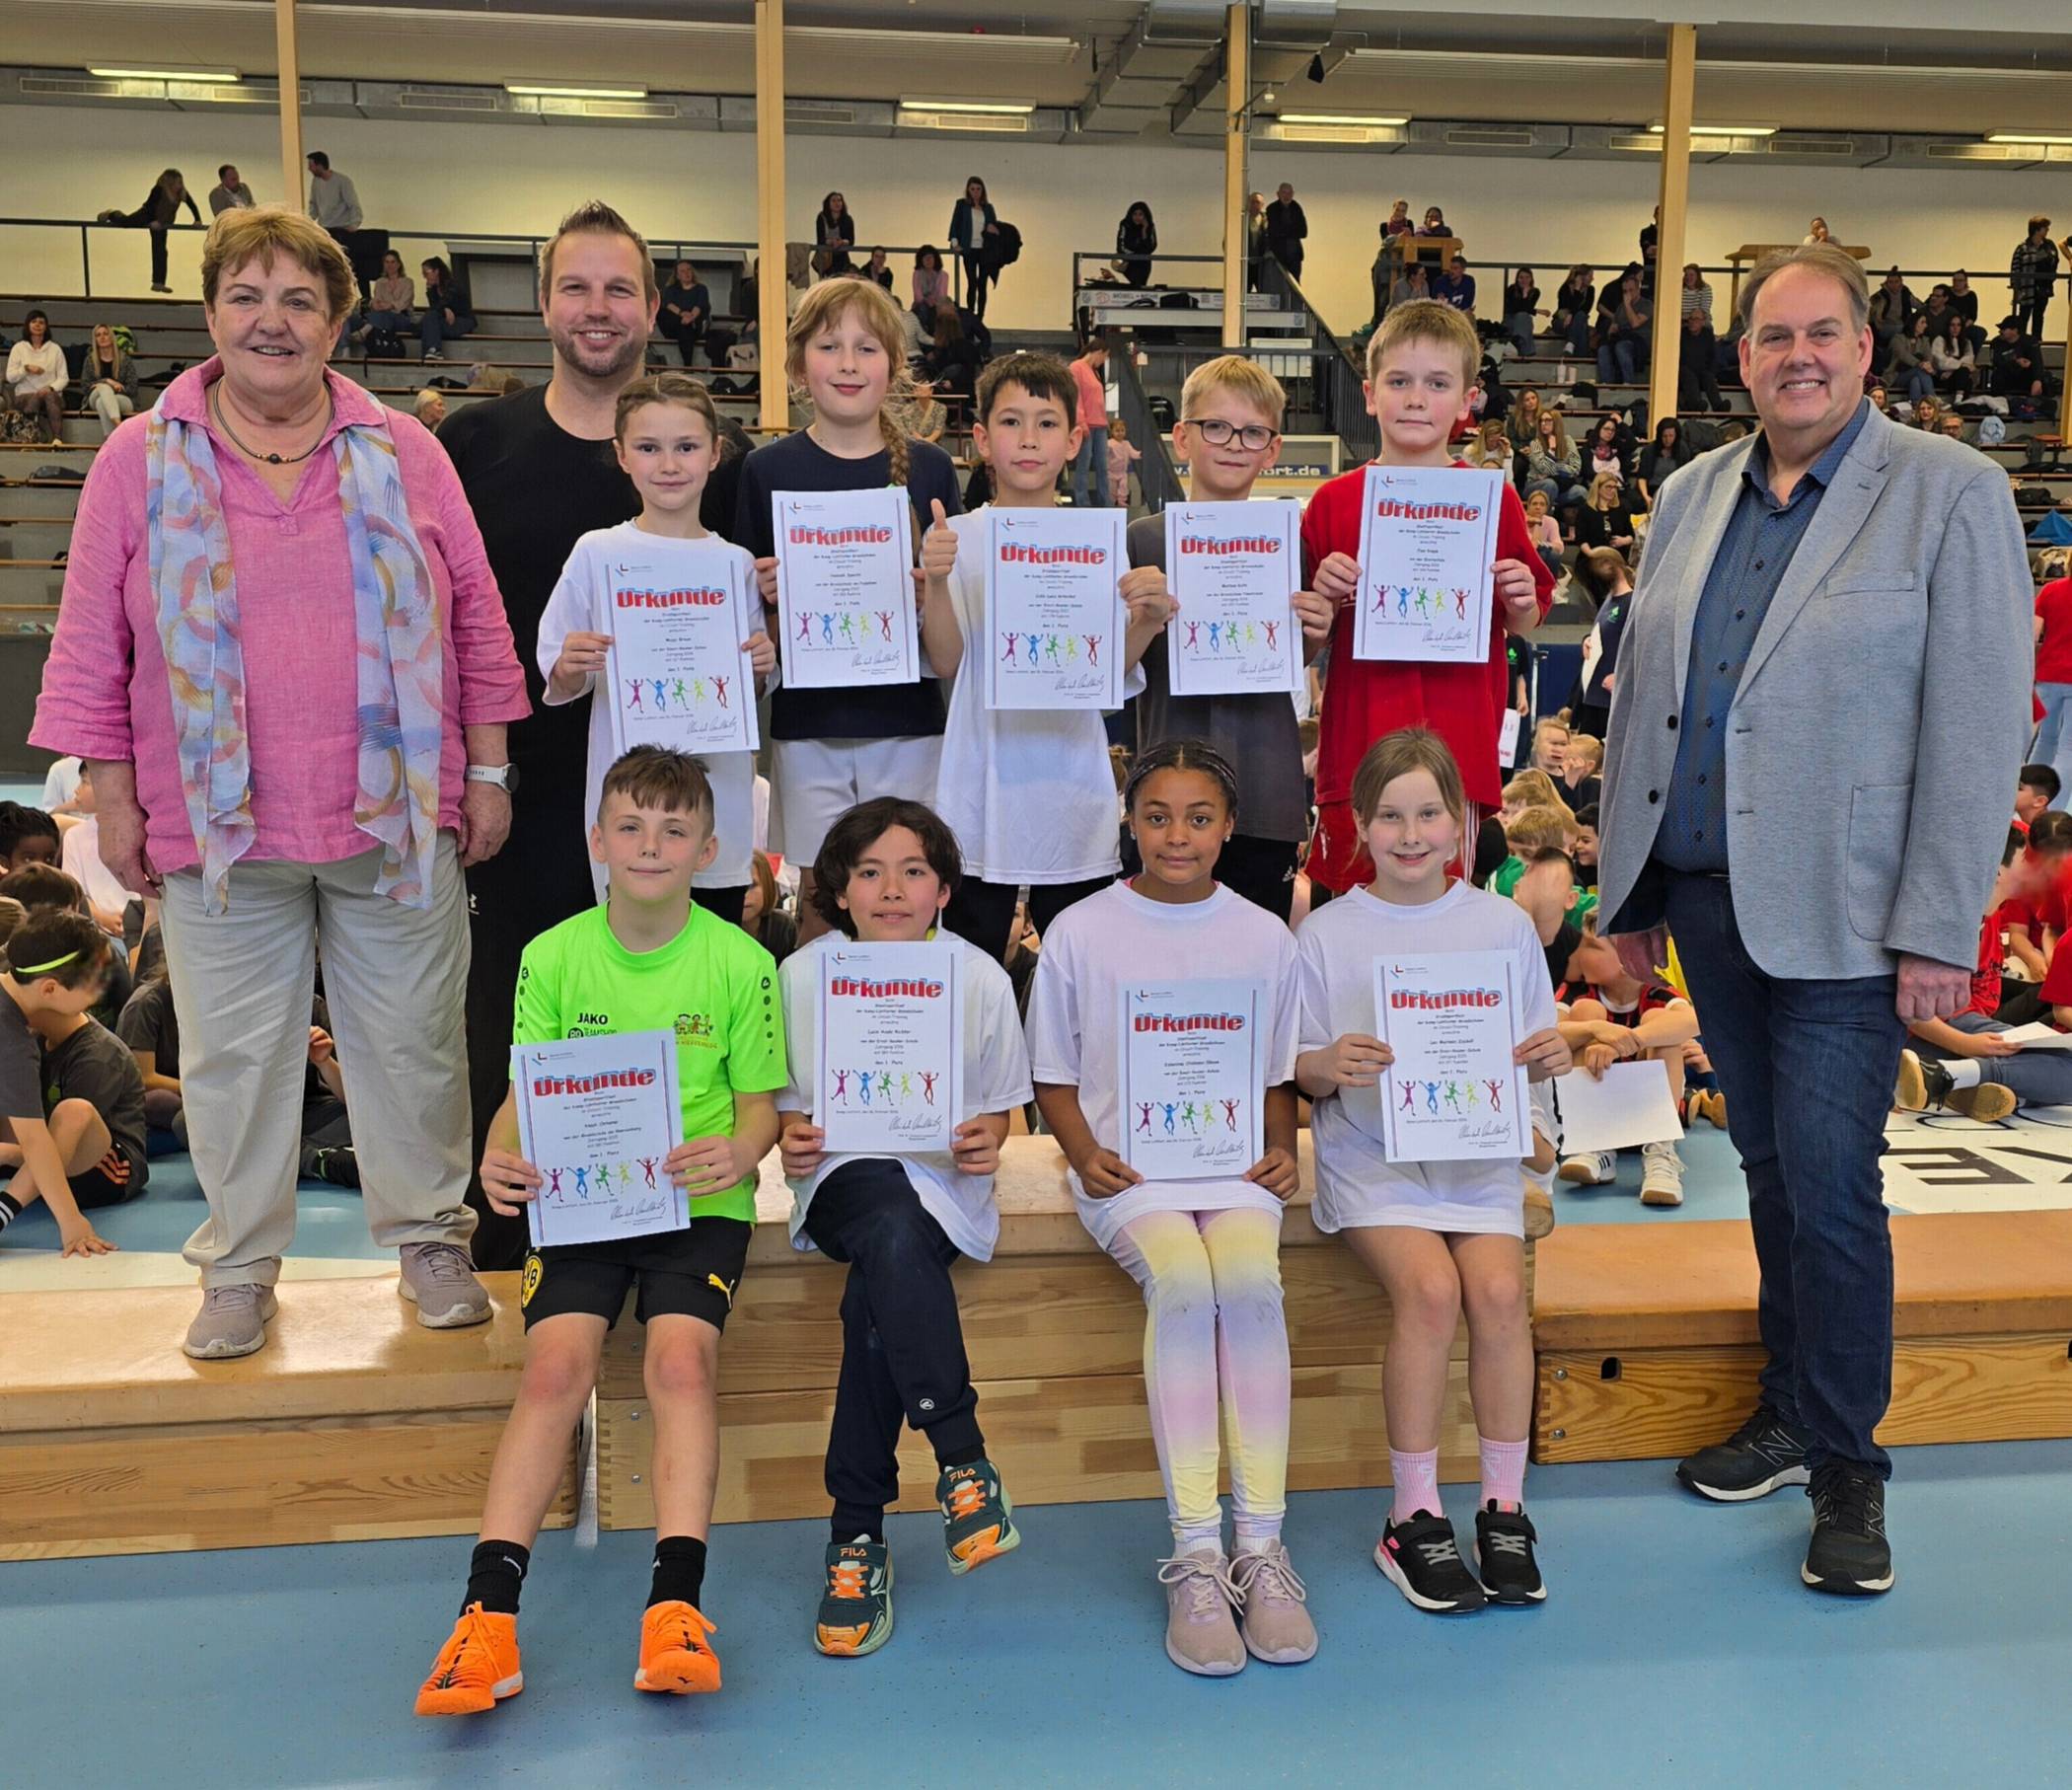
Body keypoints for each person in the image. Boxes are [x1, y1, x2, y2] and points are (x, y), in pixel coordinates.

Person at [1596, 242, 2033, 1597]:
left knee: (1836, 1190)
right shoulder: (1686, 495)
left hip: (1854, 917)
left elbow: (1972, 723)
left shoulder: (1951, 494)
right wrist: (1628, 895)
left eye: (1824, 332)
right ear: (1741, 361)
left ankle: (1851, 1467)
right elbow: (1640, 705)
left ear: (1866, 350)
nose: (1799, 354)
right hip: (1713, 902)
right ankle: (1791, 1409)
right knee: (1775, 1175)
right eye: (1773, 336)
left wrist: (1939, 921)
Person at [32, 205, 531, 1358]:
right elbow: (92, 640)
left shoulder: (408, 449)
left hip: (396, 814)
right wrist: (113, 793)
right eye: (248, 298)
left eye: (300, 300)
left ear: (337, 323)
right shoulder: (137, 457)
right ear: (211, 315)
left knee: (411, 1043)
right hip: (214, 827)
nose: (273, 321)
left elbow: (477, 620)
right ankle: (243, 1263)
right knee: (234, 1056)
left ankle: (429, 1239)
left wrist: (492, 768)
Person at [413, 746, 784, 1719]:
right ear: (598, 839)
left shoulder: (742, 961)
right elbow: (520, 1100)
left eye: (673, 830)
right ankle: (484, 1621)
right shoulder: (554, 954)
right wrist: (499, 1156)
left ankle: (676, 1607)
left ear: (709, 847)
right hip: (581, 1203)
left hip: (696, 1204)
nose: (651, 845)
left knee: (679, 1366)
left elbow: (757, 1110)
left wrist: (741, 1155)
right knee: (552, 1369)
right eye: (632, 825)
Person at [1030, 741, 1313, 1675]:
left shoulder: (1265, 935)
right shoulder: (1079, 929)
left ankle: (1260, 1547)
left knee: (1250, 1284)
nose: (1178, 835)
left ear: (1230, 828)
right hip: (1131, 1177)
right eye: (1157, 815)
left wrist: (1280, 1148)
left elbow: (1278, 1068)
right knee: (1187, 1286)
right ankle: (1196, 1552)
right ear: (1129, 820)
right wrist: (1084, 1156)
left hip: (1231, 1173)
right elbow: (1054, 1074)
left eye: (1199, 818)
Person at [1295, 729, 1570, 1612]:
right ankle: (1411, 1515)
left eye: (1428, 815)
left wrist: (1550, 1063)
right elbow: (1295, 1067)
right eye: (1389, 816)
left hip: (1475, 1157)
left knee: (1495, 1294)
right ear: (1359, 826)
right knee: (1430, 1291)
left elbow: (1529, 1049)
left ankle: (1502, 1504)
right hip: (1373, 1157)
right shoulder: (1328, 932)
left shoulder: (1501, 926)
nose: (1409, 834)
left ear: (1461, 825)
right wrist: (1328, 1063)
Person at [443, 200, 660, 1272]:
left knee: (646, 1012)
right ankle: (502, 1235)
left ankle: (631, 1237)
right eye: (577, 286)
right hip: (516, 791)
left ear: (653, 309)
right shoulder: (476, 442)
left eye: (619, 288)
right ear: (542, 306)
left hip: (661, 805)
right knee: (514, 1015)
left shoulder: (693, 451)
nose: (597, 308)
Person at [777, 797, 1031, 1656]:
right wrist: (792, 1133)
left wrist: (983, 1140)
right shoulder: (803, 975)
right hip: (842, 1178)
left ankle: (857, 1536)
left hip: (942, 1191)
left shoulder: (982, 978)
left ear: (945, 891)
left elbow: (999, 1115)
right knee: (880, 1219)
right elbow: (779, 1109)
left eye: (914, 871)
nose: (892, 890)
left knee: (875, 1297)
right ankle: (960, 1457)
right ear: (838, 891)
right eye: (870, 872)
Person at [1294, 301, 1555, 900]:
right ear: (1370, 393)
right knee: (1354, 914)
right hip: (1360, 742)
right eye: (1400, 382)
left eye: (1437, 384)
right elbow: (1308, 639)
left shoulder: (1494, 500)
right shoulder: (1332, 503)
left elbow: (1528, 615)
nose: (1416, 399)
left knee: (1442, 917)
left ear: (1467, 401)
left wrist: (1517, 601)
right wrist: (1323, 603)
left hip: (1456, 743)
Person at [735, 277, 963, 948]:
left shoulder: (928, 468)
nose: (847, 363)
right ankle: (812, 1052)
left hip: (910, 723)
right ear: (799, 361)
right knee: (820, 902)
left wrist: (931, 592)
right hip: (810, 726)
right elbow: (752, 631)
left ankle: (907, 1042)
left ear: (892, 361)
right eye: (829, 345)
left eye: (865, 348)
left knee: (911, 901)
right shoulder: (764, 470)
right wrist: (768, 597)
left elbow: (949, 632)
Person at [921, 351, 1170, 960]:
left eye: (1047, 423)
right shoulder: (955, 536)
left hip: (1070, 784)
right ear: (981, 438)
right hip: (980, 781)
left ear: (1074, 438)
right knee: (972, 966)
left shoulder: (1097, 539)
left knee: (1077, 968)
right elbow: (949, 664)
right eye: (1010, 422)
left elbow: (1109, 674)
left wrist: (1146, 622)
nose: (1028, 440)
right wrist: (934, 580)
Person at [538, 374, 776, 925]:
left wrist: (761, 666)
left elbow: (750, 687)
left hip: (717, 804)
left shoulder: (736, 564)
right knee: (630, 959)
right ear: (621, 455)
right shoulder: (597, 553)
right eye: (649, 448)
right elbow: (557, 672)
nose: (669, 465)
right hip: (631, 805)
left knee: (709, 960)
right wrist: (572, 664)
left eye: (686, 447)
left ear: (716, 453)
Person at [1124, 355, 1321, 920]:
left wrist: (1316, 630)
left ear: (1272, 448)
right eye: (1217, 427)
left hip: (1266, 787)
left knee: (1258, 954)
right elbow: (1114, 673)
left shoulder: (1289, 540)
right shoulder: (1143, 542)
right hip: (1169, 789)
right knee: (1167, 953)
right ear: (1183, 437)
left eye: (1253, 432)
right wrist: (1143, 619)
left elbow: (1296, 658)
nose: (1234, 444)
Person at [0, 910, 132, 1254]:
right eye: (91, 988)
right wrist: (72, 1222)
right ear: (50, 989)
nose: (97, 996)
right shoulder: (12, 1039)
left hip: (89, 1159)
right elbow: (33, 1139)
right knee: (66, 1116)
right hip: (95, 1169)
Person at [1571, 547, 1635, 741]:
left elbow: (1642, 645)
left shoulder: (1632, 601)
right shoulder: (1609, 600)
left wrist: (1623, 676)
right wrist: (1587, 640)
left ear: (1609, 565)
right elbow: (1604, 634)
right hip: (1593, 694)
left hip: (1612, 697)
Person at [115, 168, 201, 293]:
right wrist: (153, 221)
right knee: (125, 222)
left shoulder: (182, 193)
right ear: (170, 183)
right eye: (178, 183)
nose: (180, 185)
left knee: (160, 249)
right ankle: (112, 214)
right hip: (147, 215)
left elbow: (192, 205)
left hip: (163, 222)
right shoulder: (158, 190)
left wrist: (197, 219)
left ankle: (158, 283)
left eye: (181, 182)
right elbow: (151, 206)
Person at [304, 151, 368, 294]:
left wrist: (354, 224)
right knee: (326, 266)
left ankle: (356, 296)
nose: (309, 169)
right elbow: (313, 204)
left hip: (342, 230)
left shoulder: (342, 181)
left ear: (320, 165)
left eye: (311, 165)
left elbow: (353, 205)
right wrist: (309, 222)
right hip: (324, 229)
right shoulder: (316, 182)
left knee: (350, 266)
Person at [2034, 570, 2072, 798]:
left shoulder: (2050, 590)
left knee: (2045, 739)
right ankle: (2053, 810)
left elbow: (2032, 634)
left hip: (2048, 676)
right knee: (2068, 749)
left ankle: (2026, 801)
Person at [6, 310, 67, 444]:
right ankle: (33, 436)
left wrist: (50, 388)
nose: (38, 325)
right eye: (34, 321)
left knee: (48, 395)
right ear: (27, 325)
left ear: (46, 327)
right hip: (24, 396)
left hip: (52, 397)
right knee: (39, 396)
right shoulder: (18, 348)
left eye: (41, 322)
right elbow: (10, 377)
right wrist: (25, 369)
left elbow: (63, 378)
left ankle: (57, 439)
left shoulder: (55, 349)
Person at [947, 177, 999, 321]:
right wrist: (954, 242)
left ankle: (980, 317)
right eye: (973, 189)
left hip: (984, 249)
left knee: (982, 284)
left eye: (978, 189)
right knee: (972, 282)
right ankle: (971, 315)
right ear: (968, 191)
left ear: (982, 191)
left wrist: (992, 229)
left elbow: (994, 227)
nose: (975, 192)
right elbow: (955, 224)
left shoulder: (988, 208)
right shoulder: (962, 205)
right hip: (969, 248)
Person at [1069, 337, 1110, 509]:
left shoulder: (1093, 371)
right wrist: (1081, 421)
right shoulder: (1076, 367)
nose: (1104, 361)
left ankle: (1105, 502)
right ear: (1099, 353)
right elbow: (1075, 397)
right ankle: (1082, 501)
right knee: (1084, 465)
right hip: (1086, 424)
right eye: (1105, 357)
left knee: (1103, 466)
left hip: (1099, 424)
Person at [81, 323, 139, 439]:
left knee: (101, 403)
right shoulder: (90, 360)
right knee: (104, 387)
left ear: (111, 337)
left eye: (105, 334)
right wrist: (107, 381)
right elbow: (85, 387)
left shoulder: (124, 359)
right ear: (95, 340)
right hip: (94, 397)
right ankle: (119, 427)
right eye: (98, 335)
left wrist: (117, 389)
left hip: (123, 398)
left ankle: (110, 439)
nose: (102, 337)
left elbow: (133, 388)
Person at [2010, 215, 2059, 341]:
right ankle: (2020, 342)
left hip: (2043, 288)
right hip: (2027, 289)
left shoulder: (2049, 245)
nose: (2047, 230)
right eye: (2045, 228)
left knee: (2039, 317)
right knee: (2023, 316)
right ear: (2037, 229)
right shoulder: (2023, 247)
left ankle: (2035, 343)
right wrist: (2016, 289)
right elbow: (2015, 268)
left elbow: (2055, 262)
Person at [1520, 410, 1584, 509]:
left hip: (1561, 487)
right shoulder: (1536, 443)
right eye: (1541, 421)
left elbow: (1576, 468)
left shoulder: (1568, 440)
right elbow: (1542, 467)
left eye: (1548, 420)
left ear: (1556, 422)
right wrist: (1564, 469)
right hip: (1536, 485)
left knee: (1581, 491)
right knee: (1550, 484)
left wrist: (1554, 469)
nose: (1543, 424)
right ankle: (1546, 516)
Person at [416, 257, 475, 363]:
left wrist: (443, 309)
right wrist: (430, 292)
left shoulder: (453, 285)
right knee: (428, 320)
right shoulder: (434, 289)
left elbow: (445, 302)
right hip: (444, 320)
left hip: (461, 320)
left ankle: (433, 350)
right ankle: (430, 352)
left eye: (426, 273)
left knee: (428, 321)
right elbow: (435, 308)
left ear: (436, 271)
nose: (425, 277)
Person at [354, 249, 414, 351]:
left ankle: (365, 331)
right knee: (380, 314)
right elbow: (377, 301)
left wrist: (390, 305)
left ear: (399, 264)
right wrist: (377, 305)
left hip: (402, 318)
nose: (389, 265)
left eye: (392, 262)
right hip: (383, 316)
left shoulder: (408, 282)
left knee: (382, 315)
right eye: (387, 262)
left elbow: (403, 303)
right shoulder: (380, 282)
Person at [654, 259, 709, 367]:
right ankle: (687, 365)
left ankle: (687, 365)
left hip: (693, 324)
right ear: (677, 275)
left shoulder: (701, 289)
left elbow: (699, 306)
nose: (687, 273)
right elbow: (669, 304)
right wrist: (682, 314)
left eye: (689, 270)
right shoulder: (671, 289)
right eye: (683, 271)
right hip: (675, 323)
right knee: (664, 313)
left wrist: (691, 317)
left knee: (685, 329)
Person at [1571, 473, 1635, 556]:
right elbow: (1581, 539)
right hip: (1591, 555)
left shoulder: (1621, 509)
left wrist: (1624, 541)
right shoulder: (1585, 510)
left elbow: (1630, 534)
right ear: (1598, 488)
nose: (1612, 490)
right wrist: (1591, 554)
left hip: (1617, 556)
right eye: (1608, 487)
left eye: (1615, 487)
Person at [1989, 315, 2048, 402]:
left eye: (2004, 329)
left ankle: (2037, 403)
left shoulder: (2030, 341)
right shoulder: (1996, 342)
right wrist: (2016, 362)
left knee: (2043, 377)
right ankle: (1998, 402)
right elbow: (1996, 362)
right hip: (2007, 375)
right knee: (1997, 375)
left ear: (2015, 330)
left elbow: (2037, 361)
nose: (2000, 331)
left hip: (2025, 375)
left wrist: (2037, 380)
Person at [1885, 310, 1935, 410]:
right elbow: (1903, 355)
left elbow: (1929, 357)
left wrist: (1928, 365)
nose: (1926, 325)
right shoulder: (1898, 338)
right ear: (1914, 323)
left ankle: (1916, 405)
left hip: (1916, 375)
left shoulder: (1924, 340)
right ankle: (1933, 400)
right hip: (1897, 375)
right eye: (1922, 322)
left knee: (1915, 380)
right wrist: (1920, 364)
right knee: (1919, 370)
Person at [1635, 418, 1688, 511]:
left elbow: (1686, 476)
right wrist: (1646, 496)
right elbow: (1642, 477)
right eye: (1664, 436)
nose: (1668, 440)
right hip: (1653, 489)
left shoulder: (1682, 450)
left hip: (1674, 489)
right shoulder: (1649, 450)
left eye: (1671, 436)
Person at [1263, 183, 1307, 281]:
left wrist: (1284, 231)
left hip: (1295, 255)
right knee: (1277, 284)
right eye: (1284, 192)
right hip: (1278, 256)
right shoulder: (1272, 209)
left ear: (1293, 194)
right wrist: (1292, 230)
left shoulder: (1296, 208)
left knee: (1295, 285)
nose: (1286, 196)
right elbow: (1274, 232)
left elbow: (1303, 232)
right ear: (1278, 194)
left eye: (1289, 193)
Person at [0, 802, 61, 873]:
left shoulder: (64, 883)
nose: (41, 869)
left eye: (49, 859)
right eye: (28, 860)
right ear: (4, 862)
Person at [1551, 265, 1595, 359]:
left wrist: (1571, 314)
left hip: (1576, 321)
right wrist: (1577, 290)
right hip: (1562, 322)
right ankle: (1582, 360)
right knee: (1582, 326)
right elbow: (1565, 307)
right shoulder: (1565, 289)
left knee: (1581, 318)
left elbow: (1585, 310)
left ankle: (1571, 344)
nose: (1592, 279)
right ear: (1581, 276)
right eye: (1590, 276)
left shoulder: (1590, 290)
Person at [1116, 200, 1158, 289]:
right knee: (1135, 284)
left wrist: (1144, 230)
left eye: (1140, 214)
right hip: (1129, 260)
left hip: (1143, 262)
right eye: (1135, 214)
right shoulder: (1125, 224)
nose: (1137, 217)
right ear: (1131, 214)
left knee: (1141, 285)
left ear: (1145, 215)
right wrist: (1133, 255)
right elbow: (1120, 246)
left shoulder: (1149, 225)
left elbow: (1151, 246)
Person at [1501, 266, 1540, 357]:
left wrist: (1525, 294)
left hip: (1523, 321)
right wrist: (1536, 311)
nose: (1524, 280)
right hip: (1510, 320)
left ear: (1531, 279)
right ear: (1517, 279)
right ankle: (1527, 351)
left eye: (1527, 277)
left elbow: (1526, 309)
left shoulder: (1535, 292)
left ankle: (1516, 344)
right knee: (1524, 317)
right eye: (1521, 277)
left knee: (1524, 316)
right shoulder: (1511, 289)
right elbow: (1514, 308)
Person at [814, 191, 856, 276]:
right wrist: (831, 241)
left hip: (842, 256)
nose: (837, 203)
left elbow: (851, 240)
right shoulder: (822, 217)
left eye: (839, 200)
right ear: (828, 203)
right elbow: (820, 239)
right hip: (826, 256)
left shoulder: (847, 219)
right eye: (833, 201)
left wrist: (842, 242)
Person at [1106, 416, 1141, 509]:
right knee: (1111, 489)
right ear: (1112, 432)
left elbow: (1133, 453)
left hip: (1122, 472)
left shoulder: (1126, 444)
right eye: (1117, 431)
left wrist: (1140, 454)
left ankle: (1121, 500)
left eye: (1122, 430)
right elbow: (1105, 453)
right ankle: (1112, 501)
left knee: (1123, 486)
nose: (1120, 433)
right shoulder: (1109, 443)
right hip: (1111, 472)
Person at [911, 246, 950, 330]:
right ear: (921, 260)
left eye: (931, 257)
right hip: (921, 305)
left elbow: (942, 296)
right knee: (922, 308)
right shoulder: (917, 274)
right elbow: (918, 297)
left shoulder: (943, 275)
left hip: (937, 305)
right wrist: (927, 301)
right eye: (925, 258)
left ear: (935, 259)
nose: (928, 260)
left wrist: (933, 302)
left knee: (940, 310)